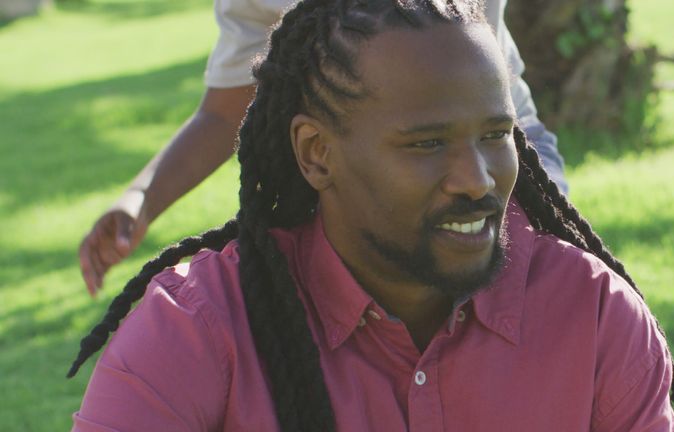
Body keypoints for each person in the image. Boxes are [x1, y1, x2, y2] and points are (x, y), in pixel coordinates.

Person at [33, 0, 674, 432]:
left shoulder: (594, 323)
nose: (476, 179)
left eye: (494, 136)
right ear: (315, 153)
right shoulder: (195, 329)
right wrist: (140, 199)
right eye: (425, 144)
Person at [77, 0, 569, 298]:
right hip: (356, 168)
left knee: (529, 291)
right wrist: (141, 197)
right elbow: (225, 111)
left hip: (503, 148)